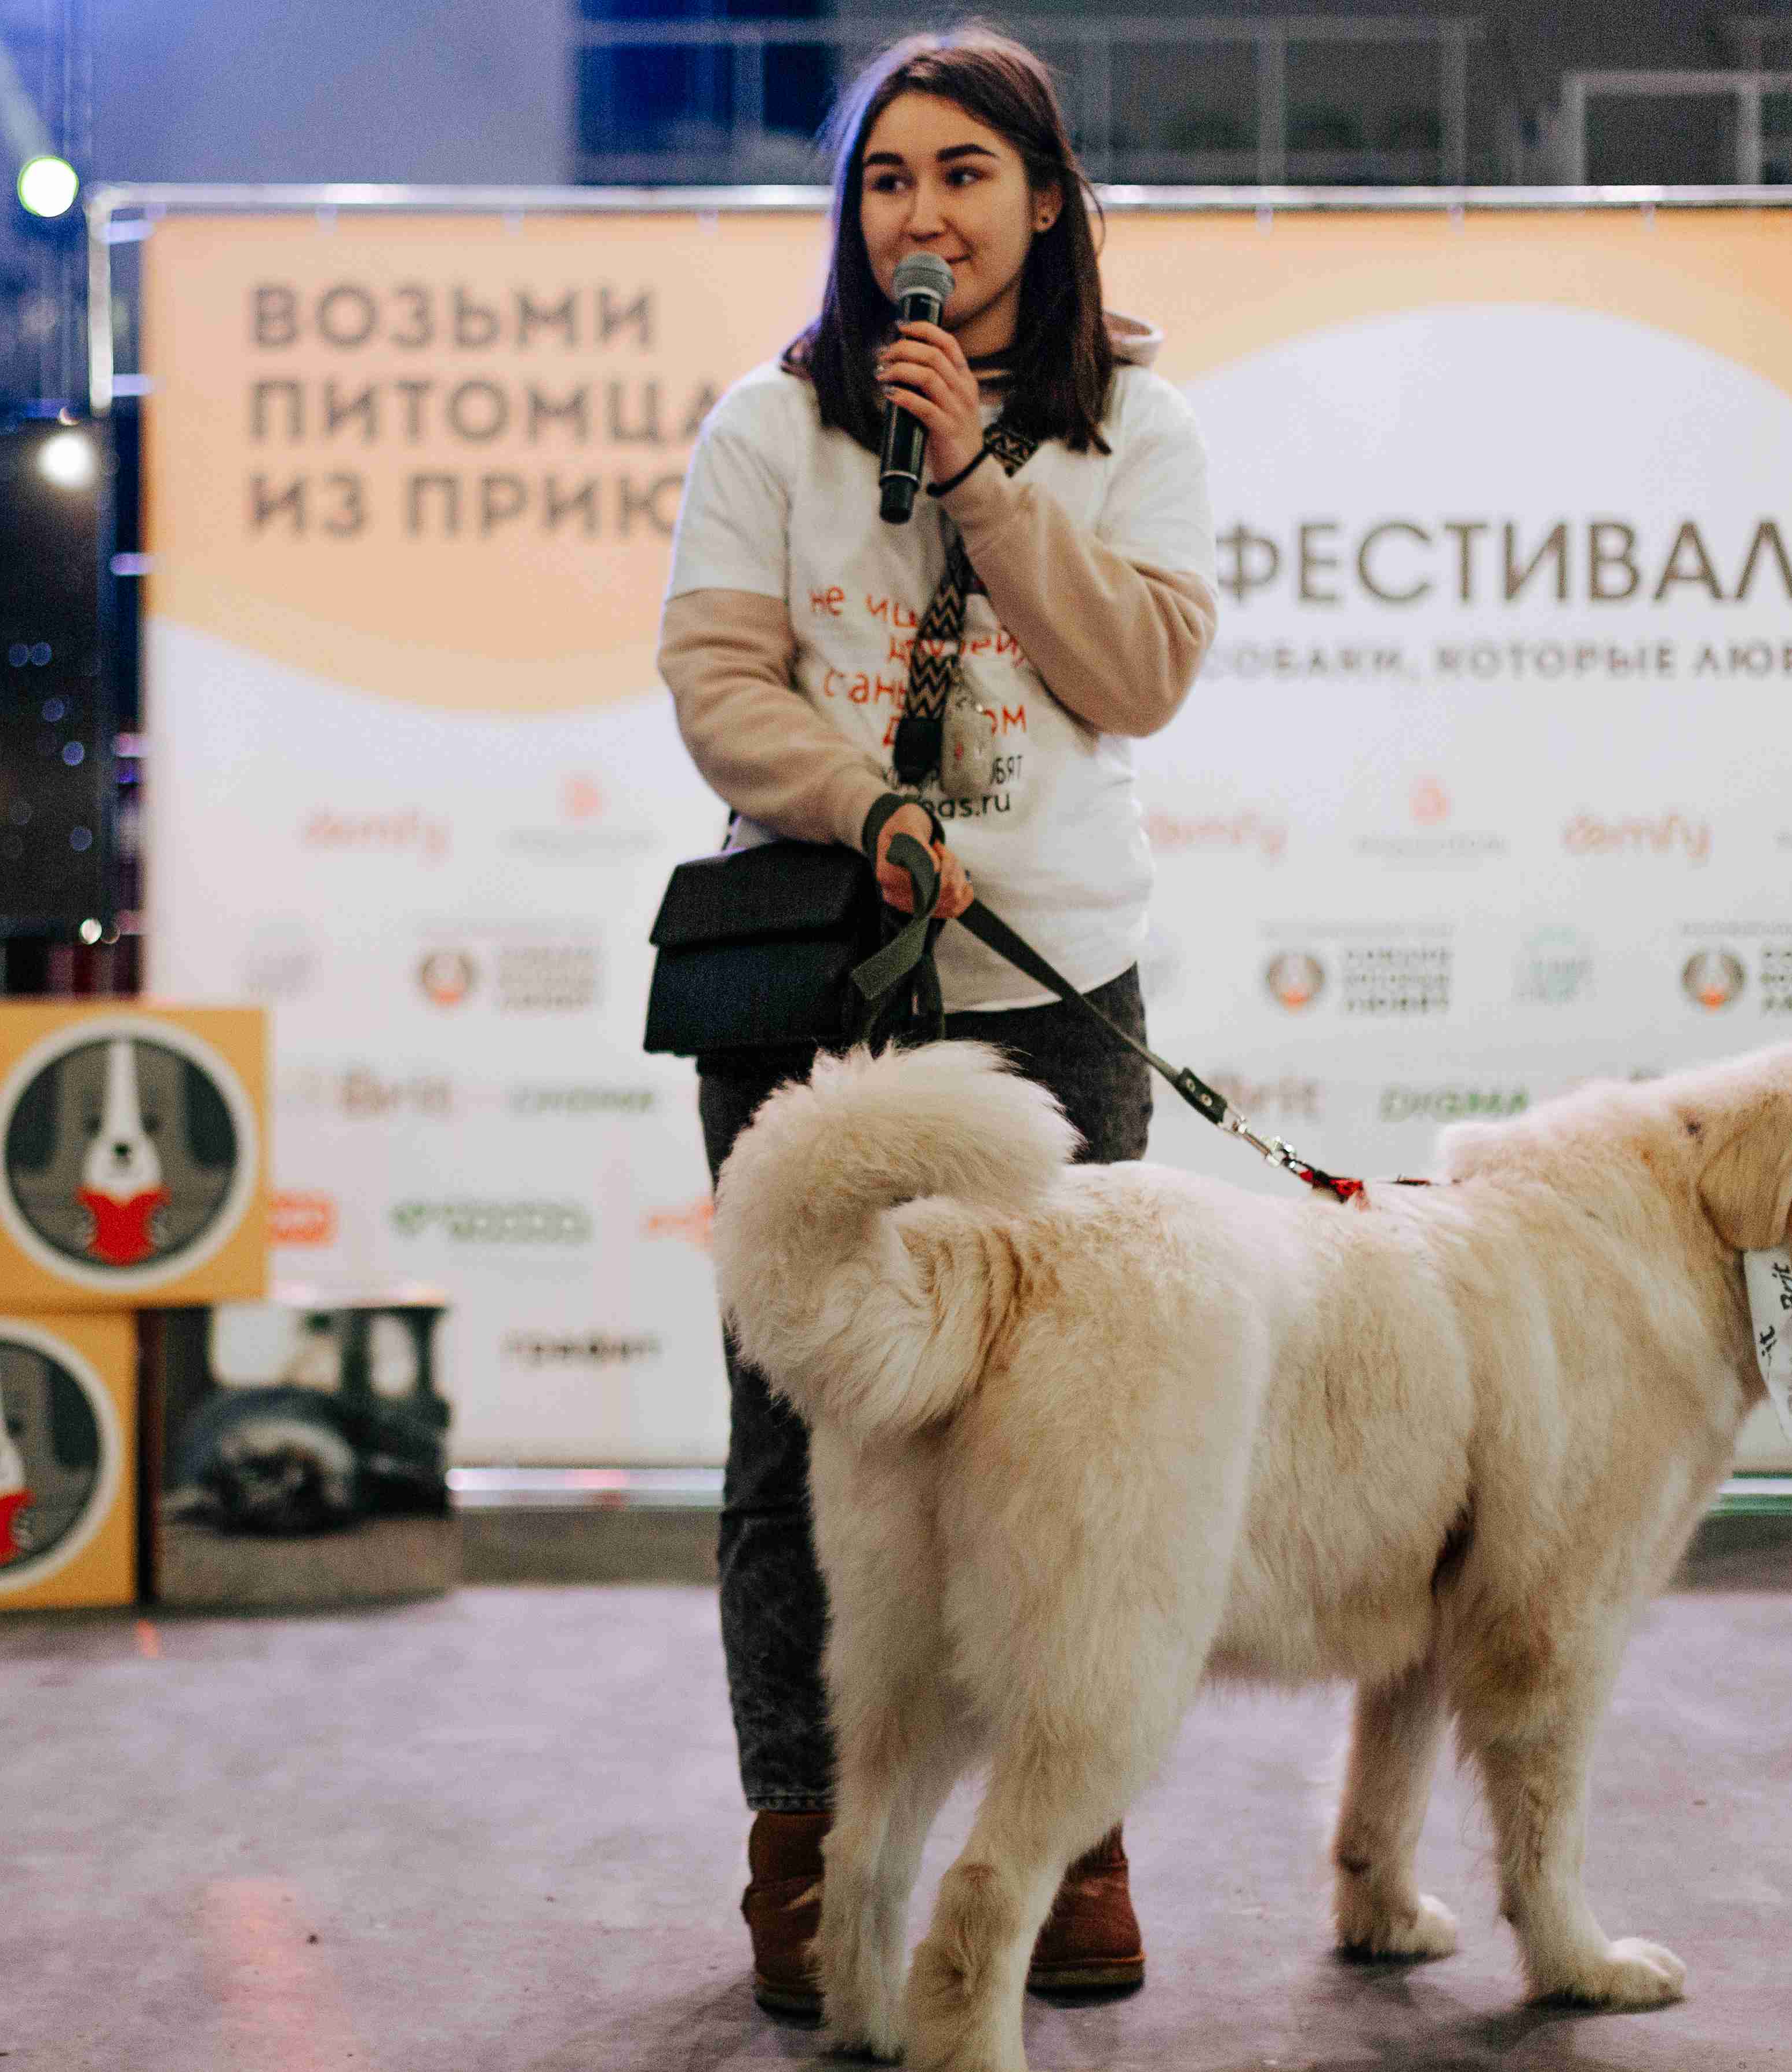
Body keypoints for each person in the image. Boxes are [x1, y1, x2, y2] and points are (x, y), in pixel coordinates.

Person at [655, 26, 1219, 2023]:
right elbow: (719, 678)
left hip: (1050, 1002)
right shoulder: (769, 425)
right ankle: (806, 1853)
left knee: (1075, 1444)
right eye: (888, 178)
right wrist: (857, 800)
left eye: (964, 175)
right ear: (854, 215)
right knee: (788, 1438)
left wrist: (977, 474)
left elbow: (1138, 670)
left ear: (1043, 201)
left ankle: (1058, 1844)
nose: (923, 213)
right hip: (812, 999)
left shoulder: (1129, 424)